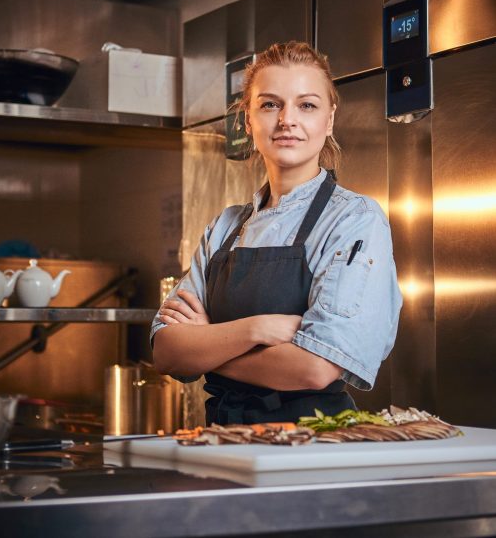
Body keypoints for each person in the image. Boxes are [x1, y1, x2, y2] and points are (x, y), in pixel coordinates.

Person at [151, 41, 402, 425]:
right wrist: (259, 329)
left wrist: (211, 344)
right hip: (222, 442)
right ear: (248, 121)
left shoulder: (355, 219)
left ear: (329, 119)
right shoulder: (225, 227)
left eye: (307, 105)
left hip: (310, 446)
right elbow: (167, 352)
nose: (287, 119)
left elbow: (316, 368)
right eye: (270, 104)